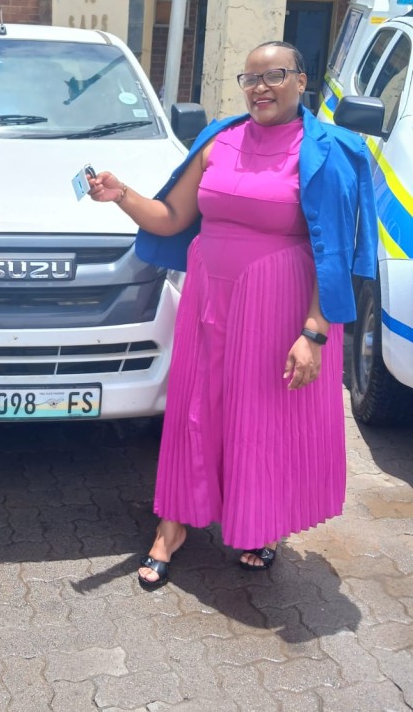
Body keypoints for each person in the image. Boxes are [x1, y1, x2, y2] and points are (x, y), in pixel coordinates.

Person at [88, 41, 377, 590]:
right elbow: (172, 217)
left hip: (280, 306)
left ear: (301, 80)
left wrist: (314, 333)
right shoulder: (220, 138)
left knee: (262, 419)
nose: (261, 87)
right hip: (209, 298)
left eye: (275, 75)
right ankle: (171, 527)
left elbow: (333, 251)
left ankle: (259, 522)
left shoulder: (325, 150)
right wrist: (121, 193)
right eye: (251, 77)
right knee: (196, 408)